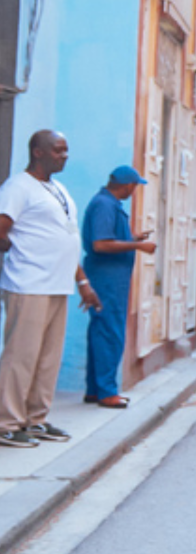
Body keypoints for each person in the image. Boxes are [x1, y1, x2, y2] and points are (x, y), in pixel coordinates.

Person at [0, 130, 103, 448]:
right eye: (59, 150)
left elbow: (66, 238)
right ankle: (7, 422)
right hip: (29, 283)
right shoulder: (18, 187)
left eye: (66, 150)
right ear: (38, 152)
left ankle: (35, 419)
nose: (65, 156)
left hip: (58, 284)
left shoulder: (57, 189)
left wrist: (82, 281)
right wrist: (21, 253)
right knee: (21, 356)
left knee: (47, 358)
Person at [80, 166, 157, 409]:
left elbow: (109, 237)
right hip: (107, 279)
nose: (134, 191)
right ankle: (107, 391)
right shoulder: (105, 205)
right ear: (127, 185)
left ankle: (95, 389)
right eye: (134, 187)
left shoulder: (108, 205)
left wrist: (132, 238)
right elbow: (101, 244)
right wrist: (138, 248)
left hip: (111, 278)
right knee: (110, 332)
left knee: (101, 331)